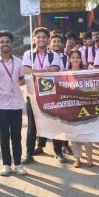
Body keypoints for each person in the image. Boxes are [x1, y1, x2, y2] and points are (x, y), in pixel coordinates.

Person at [0, 30, 27, 176]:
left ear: (12, 44)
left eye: (7, 42)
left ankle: (18, 164)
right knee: (3, 136)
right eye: (2, 42)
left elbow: (21, 80)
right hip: (0, 105)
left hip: (16, 104)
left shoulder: (18, 62)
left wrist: (30, 78)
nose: (5, 44)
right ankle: (6, 164)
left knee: (17, 136)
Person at [22, 27, 61, 164]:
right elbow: (26, 70)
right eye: (38, 37)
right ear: (34, 39)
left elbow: (55, 70)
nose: (41, 39)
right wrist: (45, 70)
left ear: (48, 39)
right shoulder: (28, 54)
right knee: (32, 124)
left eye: (44, 37)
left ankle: (58, 152)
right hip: (32, 94)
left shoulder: (54, 55)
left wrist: (35, 71)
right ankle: (28, 153)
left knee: (54, 121)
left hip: (51, 94)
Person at [67, 49, 94, 168]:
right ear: (69, 59)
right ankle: (77, 158)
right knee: (74, 134)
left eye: (77, 57)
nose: (75, 60)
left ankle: (89, 157)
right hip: (72, 108)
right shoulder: (64, 74)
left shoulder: (85, 73)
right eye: (73, 57)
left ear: (81, 59)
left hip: (85, 106)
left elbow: (91, 88)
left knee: (87, 133)